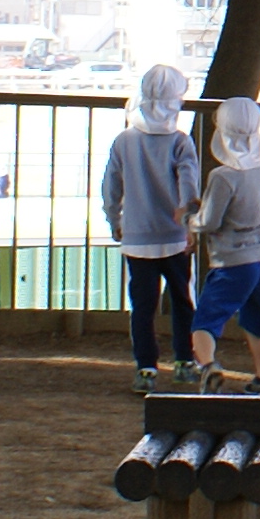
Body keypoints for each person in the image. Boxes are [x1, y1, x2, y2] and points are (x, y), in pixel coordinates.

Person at [98, 64, 203, 392]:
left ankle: (146, 369)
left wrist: (114, 219)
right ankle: (185, 362)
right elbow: (189, 185)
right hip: (174, 238)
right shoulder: (180, 142)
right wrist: (190, 224)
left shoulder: (124, 141)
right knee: (182, 300)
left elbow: (110, 186)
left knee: (142, 307)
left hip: (136, 237)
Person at [187, 96, 260, 390]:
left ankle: (208, 366)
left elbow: (210, 221)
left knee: (206, 321)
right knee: (256, 319)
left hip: (233, 260)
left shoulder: (222, 176)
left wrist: (190, 219)